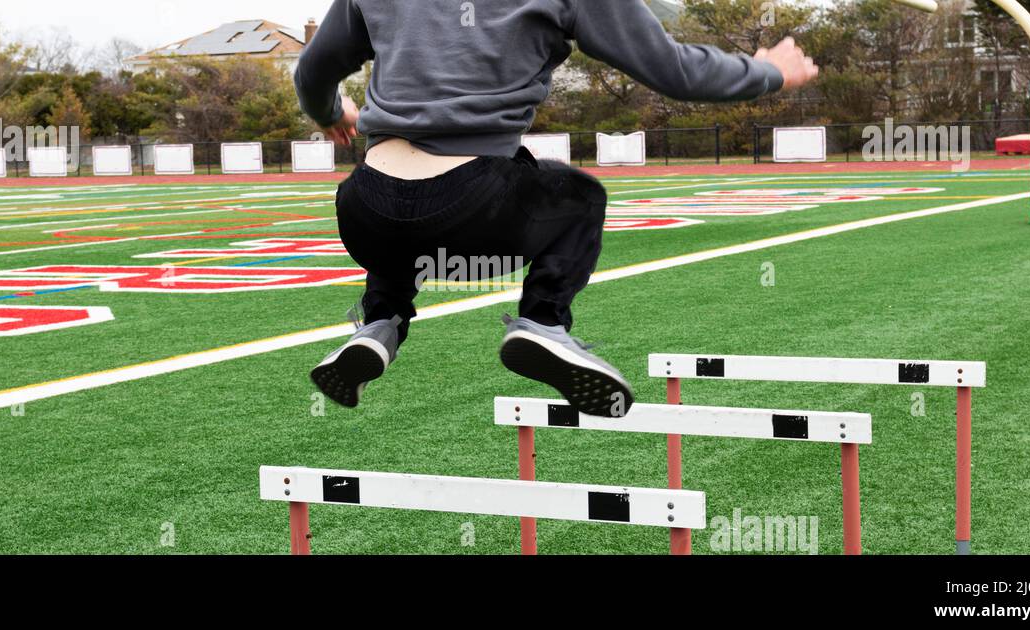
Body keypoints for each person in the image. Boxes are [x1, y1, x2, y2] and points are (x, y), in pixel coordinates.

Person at [298, 0, 818, 417]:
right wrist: (765, 71)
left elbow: (312, 70)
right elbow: (675, 71)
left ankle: (379, 325)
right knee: (579, 197)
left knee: (403, 221)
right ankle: (542, 322)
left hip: (363, 208)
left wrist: (329, 110)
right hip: (478, 210)